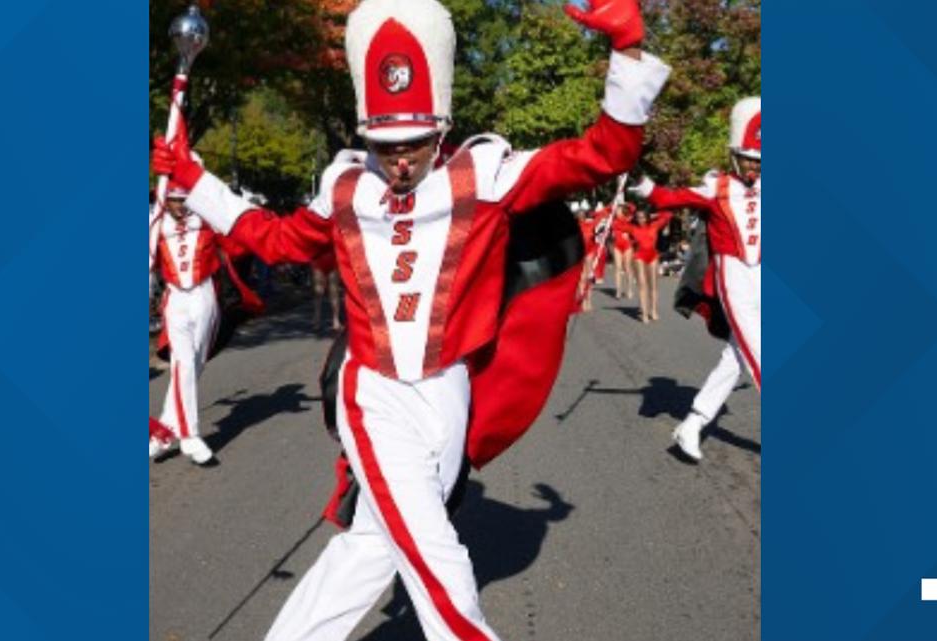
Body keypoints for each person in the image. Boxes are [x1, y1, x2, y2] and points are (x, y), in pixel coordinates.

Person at [153, 0, 669, 637]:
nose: (399, 161)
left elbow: (603, 156)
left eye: (415, 144)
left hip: (449, 392)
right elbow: (275, 239)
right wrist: (195, 178)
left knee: (373, 546)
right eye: (385, 145)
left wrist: (627, 49)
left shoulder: (487, 175)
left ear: (441, 126)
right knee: (438, 557)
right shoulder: (345, 187)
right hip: (374, 393)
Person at [632, 96, 760, 461]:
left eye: (760, 161)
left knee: (737, 357)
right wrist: (643, 183)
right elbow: (670, 197)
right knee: (760, 353)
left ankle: (693, 423)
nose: (754, 167)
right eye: (748, 159)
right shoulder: (715, 188)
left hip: (763, 279)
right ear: (734, 156)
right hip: (733, 277)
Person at [148, 174, 254, 467]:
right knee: (182, 363)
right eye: (174, 200)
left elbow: (239, 243)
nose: (180, 205)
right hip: (175, 299)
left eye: (185, 199)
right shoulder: (155, 226)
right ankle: (190, 436)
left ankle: (163, 433)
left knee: (194, 365)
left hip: (204, 295)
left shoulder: (208, 219)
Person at [626, 207, 673, 322]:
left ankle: (653, 310)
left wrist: (653, 215)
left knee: (653, 286)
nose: (640, 220)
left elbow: (668, 214)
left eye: (643, 217)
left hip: (653, 257)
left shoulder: (654, 225)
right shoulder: (633, 228)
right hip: (639, 257)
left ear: (647, 218)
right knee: (642, 286)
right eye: (638, 218)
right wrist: (630, 217)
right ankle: (644, 313)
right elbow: (616, 224)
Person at [610, 202, 635, 299]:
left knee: (627, 268)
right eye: (616, 210)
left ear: (623, 211)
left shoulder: (628, 219)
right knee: (618, 268)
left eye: (618, 210)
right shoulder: (613, 221)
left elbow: (633, 207)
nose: (616, 211)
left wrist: (624, 204)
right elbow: (608, 210)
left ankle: (630, 289)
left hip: (627, 246)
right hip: (617, 246)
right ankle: (618, 290)